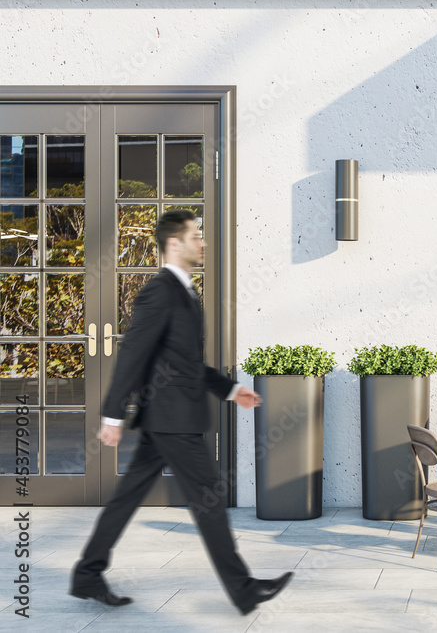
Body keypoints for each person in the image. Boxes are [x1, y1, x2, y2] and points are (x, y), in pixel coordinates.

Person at [71, 209, 292, 615]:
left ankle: (87, 573)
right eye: (195, 236)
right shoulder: (160, 291)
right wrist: (112, 414)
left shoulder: (186, 292)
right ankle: (243, 589)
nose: (202, 242)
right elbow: (134, 352)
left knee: (128, 496)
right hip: (174, 421)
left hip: (168, 419)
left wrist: (230, 389)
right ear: (175, 243)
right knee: (209, 502)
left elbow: (185, 363)